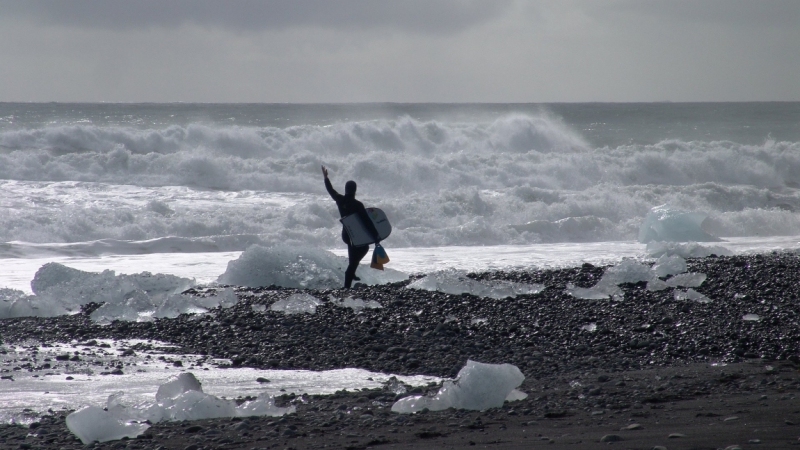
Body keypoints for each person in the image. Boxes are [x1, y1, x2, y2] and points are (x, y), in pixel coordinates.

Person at [322, 165, 381, 288]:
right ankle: (349, 278)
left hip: (346, 234)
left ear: (346, 189)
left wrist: (326, 178)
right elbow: (367, 222)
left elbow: (331, 190)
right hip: (356, 234)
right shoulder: (358, 204)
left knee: (352, 247)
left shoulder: (340, 200)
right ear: (355, 190)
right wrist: (375, 235)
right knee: (363, 249)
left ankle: (352, 272)